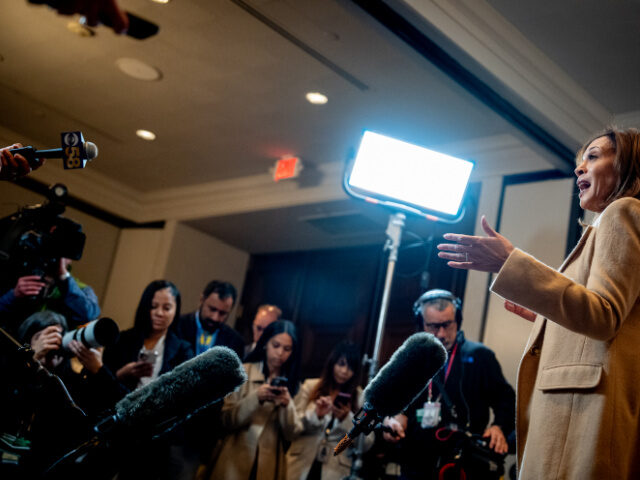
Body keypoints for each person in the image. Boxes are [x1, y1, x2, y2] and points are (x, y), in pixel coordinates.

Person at [436, 127, 640, 478]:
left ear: (625, 165)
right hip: (575, 409)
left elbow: (603, 315)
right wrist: (547, 318)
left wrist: (510, 261)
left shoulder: (623, 212)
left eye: (593, 156)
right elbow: (611, 326)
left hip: (583, 412)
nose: (579, 168)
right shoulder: (609, 224)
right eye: (580, 161)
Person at [382, 289, 515, 480]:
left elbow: (507, 400)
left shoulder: (480, 356)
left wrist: (499, 426)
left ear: (457, 321)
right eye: (433, 326)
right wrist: (391, 420)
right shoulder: (409, 360)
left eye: (447, 325)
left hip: (464, 466)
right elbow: (390, 406)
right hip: (416, 466)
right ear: (421, 324)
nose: (442, 334)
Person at [197, 320, 300, 480]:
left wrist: (287, 406)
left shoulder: (293, 383)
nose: (280, 353)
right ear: (266, 343)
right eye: (276, 345)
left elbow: (292, 434)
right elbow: (226, 420)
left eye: (287, 349)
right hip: (234, 454)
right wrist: (256, 398)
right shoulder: (243, 371)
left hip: (269, 461)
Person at [287, 341, 373, 480]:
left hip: (335, 469)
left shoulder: (359, 397)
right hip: (301, 463)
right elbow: (291, 427)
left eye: (350, 367)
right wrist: (316, 415)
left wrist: (347, 420)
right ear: (332, 363)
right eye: (341, 364)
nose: (344, 371)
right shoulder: (310, 386)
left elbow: (366, 443)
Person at [0, 257, 101, 333]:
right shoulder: (19, 275)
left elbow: (89, 315)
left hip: (51, 354)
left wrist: (65, 279)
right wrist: (13, 295)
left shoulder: (82, 289)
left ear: (70, 258)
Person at [173, 280, 244, 359]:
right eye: (212, 309)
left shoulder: (235, 342)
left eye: (222, 313)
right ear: (201, 300)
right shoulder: (177, 326)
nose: (215, 317)